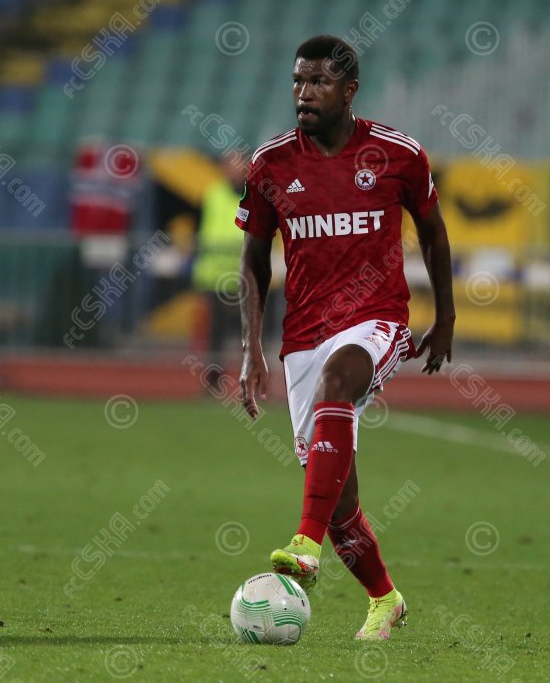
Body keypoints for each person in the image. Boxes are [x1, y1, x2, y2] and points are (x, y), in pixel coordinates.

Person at [236, 35, 455, 641]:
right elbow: (253, 260)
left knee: (339, 381)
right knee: (338, 500)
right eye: (298, 81)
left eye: (318, 82)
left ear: (349, 90)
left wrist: (446, 317)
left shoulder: (397, 155)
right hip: (304, 333)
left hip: (377, 317)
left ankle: (303, 544)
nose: (304, 93)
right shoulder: (271, 164)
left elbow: (433, 233)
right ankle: (386, 599)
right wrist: (251, 347)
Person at [194, 150, 249, 392]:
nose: (234, 168)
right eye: (230, 163)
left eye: (238, 163)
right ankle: (214, 381)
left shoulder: (254, 192)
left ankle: (253, 382)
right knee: (215, 333)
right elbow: (208, 231)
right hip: (215, 277)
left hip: (246, 277)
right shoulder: (213, 193)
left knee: (250, 333)